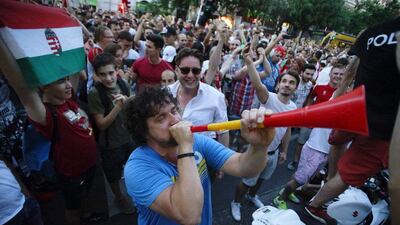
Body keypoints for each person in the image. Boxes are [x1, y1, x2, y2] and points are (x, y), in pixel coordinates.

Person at [123, 87, 276, 225]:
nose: (175, 120)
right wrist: (185, 146)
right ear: (143, 131)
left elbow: (243, 167)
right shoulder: (137, 168)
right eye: (161, 118)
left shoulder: (196, 141)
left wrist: (259, 146)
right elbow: (189, 216)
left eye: (174, 111)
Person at [304, 17, 400, 224]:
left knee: (337, 141)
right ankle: (316, 205)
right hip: (382, 126)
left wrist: (337, 100)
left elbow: (352, 68)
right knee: (348, 177)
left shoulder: (375, 30)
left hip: (353, 106)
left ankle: (329, 179)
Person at [0, 39, 97, 225]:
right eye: (61, 81)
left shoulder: (68, 100)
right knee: (72, 207)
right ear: (45, 86)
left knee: (83, 199)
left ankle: (86, 216)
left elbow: (76, 67)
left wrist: (73, 34)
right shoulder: (46, 113)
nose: (68, 85)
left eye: (68, 79)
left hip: (89, 166)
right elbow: (23, 90)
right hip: (71, 174)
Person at [230, 54, 298, 222]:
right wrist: (249, 63)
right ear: (278, 83)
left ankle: (252, 196)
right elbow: (258, 84)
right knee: (247, 180)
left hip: (274, 153)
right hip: (259, 151)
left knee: (262, 179)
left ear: (295, 88)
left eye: (291, 83)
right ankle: (236, 202)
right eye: (284, 81)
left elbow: (287, 131)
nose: (287, 85)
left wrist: (284, 151)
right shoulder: (269, 98)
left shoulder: (294, 107)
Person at [88, 53, 135, 214]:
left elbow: (132, 106)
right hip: (111, 145)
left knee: (133, 169)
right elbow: (101, 124)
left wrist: (127, 102)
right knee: (113, 175)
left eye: (110, 73)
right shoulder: (95, 93)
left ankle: (136, 194)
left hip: (129, 138)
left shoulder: (122, 83)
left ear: (117, 70)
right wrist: (118, 107)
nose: (108, 78)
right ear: (96, 74)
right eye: (102, 74)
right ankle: (120, 198)